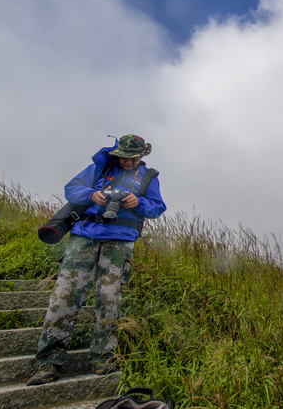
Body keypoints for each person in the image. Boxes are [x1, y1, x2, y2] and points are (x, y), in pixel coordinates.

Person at [28, 134, 167, 385]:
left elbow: (158, 207)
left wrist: (140, 202)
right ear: (117, 153)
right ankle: (49, 361)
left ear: (142, 156)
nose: (127, 161)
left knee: (110, 298)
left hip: (120, 241)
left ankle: (104, 357)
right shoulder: (99, 168)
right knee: (64, 296)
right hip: (83, 237)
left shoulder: (148, 178)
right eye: (123, 157)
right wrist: (92, 196)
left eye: (133, 158)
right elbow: (71, 188)